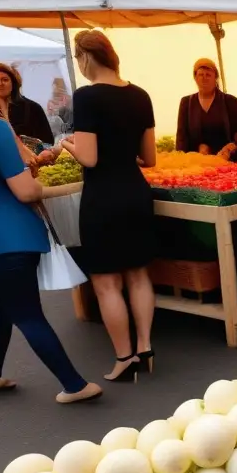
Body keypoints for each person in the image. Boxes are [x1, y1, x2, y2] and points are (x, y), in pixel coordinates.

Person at [0, 76, 100, 403]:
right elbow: (25, 190)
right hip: (9, 239)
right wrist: (34, 181)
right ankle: (75, 385)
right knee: (28, 314)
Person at [59, 30, 158, 384]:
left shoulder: (86, 97)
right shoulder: (140, 95)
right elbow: (149, 158)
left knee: (105, 282)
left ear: (85, 57)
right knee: (138, 274)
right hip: (135, 191)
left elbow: (89, 156)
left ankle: (124, 356)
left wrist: (68, 145)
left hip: (102, 197)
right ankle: (145, 347)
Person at [175, 58, 237, 154]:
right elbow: (181, 138)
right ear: (195, 77)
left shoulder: (231, 102)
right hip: (196, 162)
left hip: (226, 160)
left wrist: (234, 145)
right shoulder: (186, 103)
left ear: (215, 77)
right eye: (201, 74)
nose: (204, 78)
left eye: (208, 75)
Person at [0, 63, 55, 144]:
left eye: (5, 79)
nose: (0, 83)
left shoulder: (32, 108)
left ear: (13, 83)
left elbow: (47, 141)